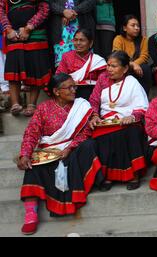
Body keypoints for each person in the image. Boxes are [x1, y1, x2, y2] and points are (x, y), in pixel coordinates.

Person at [17, 73, 103, 235]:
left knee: (89, 145)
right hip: (49, 151)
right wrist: (25, 154)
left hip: (72, 150)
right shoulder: (43, 108)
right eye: (69, 87)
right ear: (57, 92)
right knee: (32, 165)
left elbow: (85, 133)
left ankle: (93, 182)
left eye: (74, 86)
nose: (74, 90)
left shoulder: (81, 106)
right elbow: (31, 133)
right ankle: (31, 214)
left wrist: (69, 148)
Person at [88, 51, 149, 191]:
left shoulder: (132, 82)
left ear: (125, 68)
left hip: (128, 121)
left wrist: (132, 117)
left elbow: (142, 106)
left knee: (130, 131)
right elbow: (94, 100)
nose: (109, 69)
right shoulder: (102, 79)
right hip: (106, 122)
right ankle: (108, 176)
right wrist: (95, 116)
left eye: (114, 66)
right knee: (101, 136)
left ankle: (134, 174)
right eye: (108, 65)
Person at [0, 0, 52, 117]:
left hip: (35, 34)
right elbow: (1, 10)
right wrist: (8, 29)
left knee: (35, 69)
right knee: (13, 69)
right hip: (13, 35)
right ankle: (15, 104)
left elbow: (44, 9)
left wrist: (29, 28)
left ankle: (31, 105)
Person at [56, 28, 106, 100]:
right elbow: (59, 77)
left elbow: (104, 82)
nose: (78, 43)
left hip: (92, 94)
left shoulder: (98, 61)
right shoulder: (67, 57)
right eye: (75, 40)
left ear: (90, 43)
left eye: (82, 40)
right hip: (70, 93)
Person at [49, 0, 96, 66]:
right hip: (60, 29)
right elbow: (49, 3)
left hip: (82, 25)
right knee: (63, 66)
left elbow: (91, 2)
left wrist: (73, 11)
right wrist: (63, 11)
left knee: (84, 65)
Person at [112, 15, 151, 94]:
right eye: (133, 25)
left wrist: (135, 64)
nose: (136, 28)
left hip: (139, 69)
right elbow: (118, 56)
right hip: (124, 67)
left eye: (138, 26)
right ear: (125, 28)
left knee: (145, 68)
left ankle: (144, 97)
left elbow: (144, 56)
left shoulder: (143, 40)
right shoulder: (118, 39)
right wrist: (132, 64)